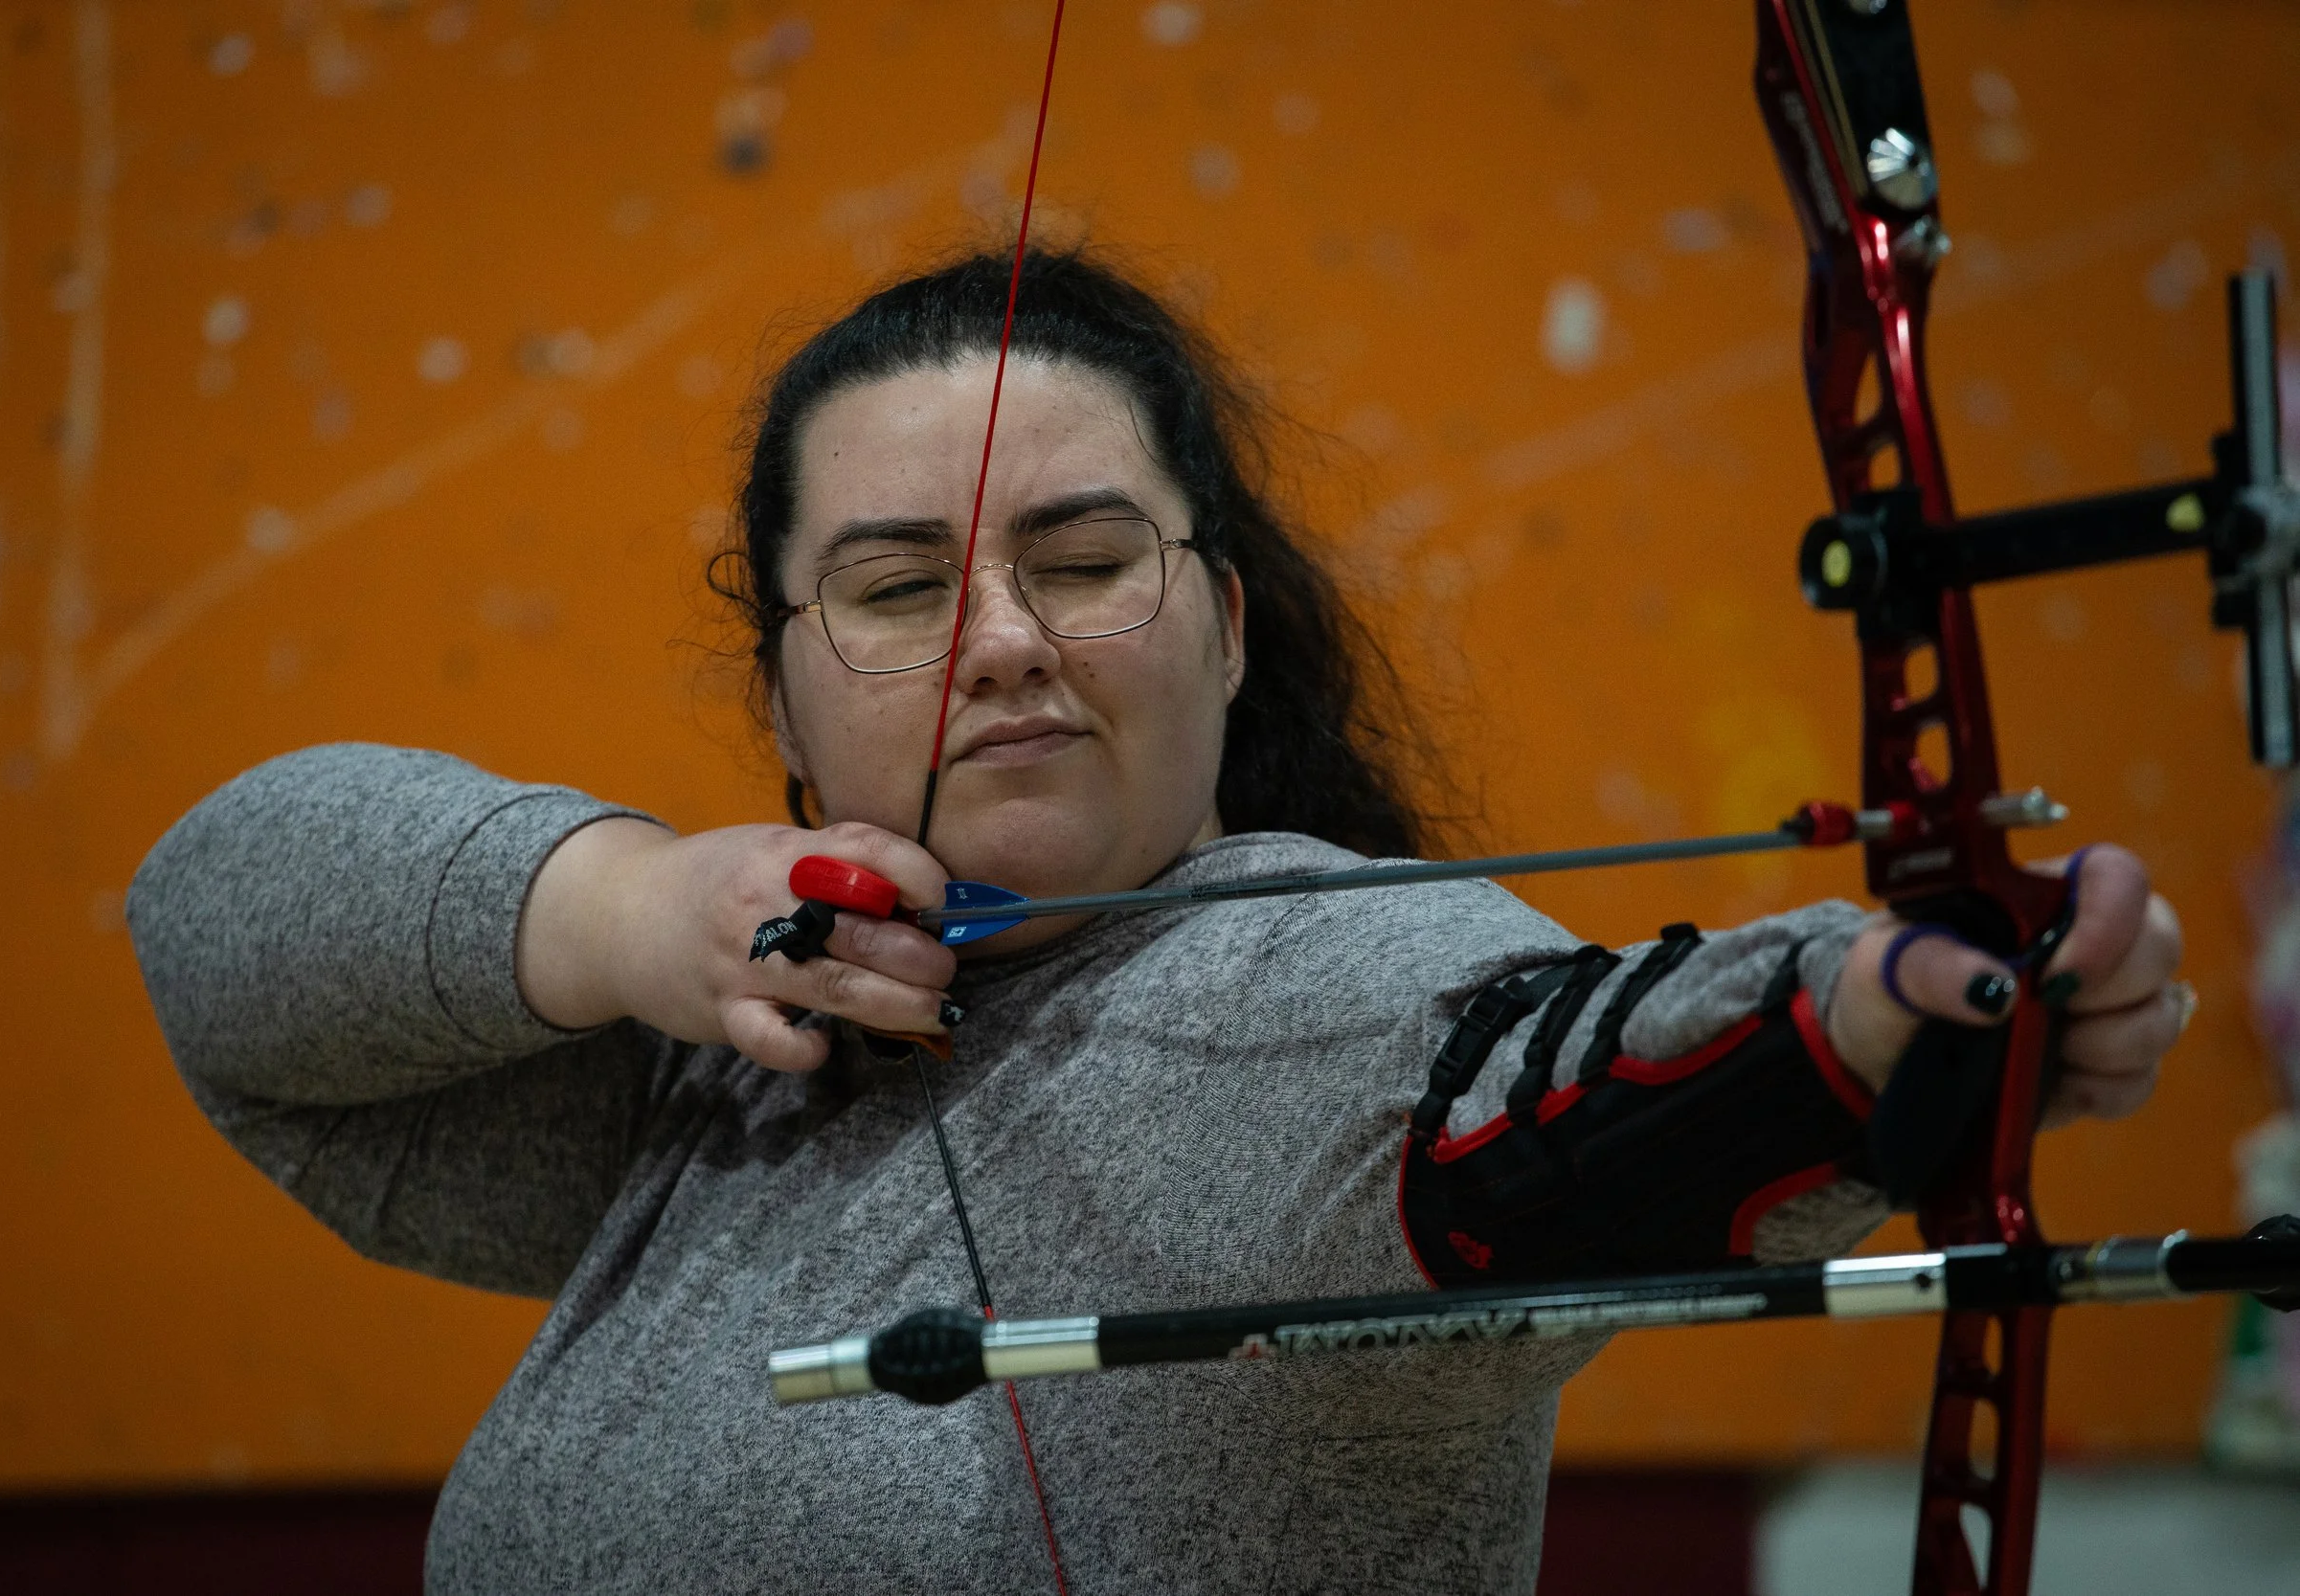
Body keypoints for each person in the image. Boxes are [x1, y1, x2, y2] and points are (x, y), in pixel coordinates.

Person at [128, 252, 2189, 1595]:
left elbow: (1560, 1089)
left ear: (1219, 622)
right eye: (897, 584)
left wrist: (1885, 1012)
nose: (1001, 643)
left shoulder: (1309, 980)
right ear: (777, 686)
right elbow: (218, 925)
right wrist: (621, 902)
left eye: (1082, 556)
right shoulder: (722, 1059)